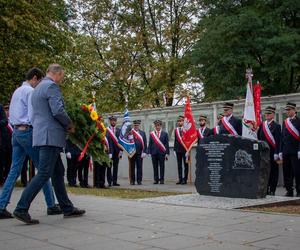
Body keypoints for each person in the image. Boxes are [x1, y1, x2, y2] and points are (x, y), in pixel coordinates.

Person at [13, 64, 85, 224]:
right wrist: (69, 124)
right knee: (44, 173)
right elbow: (58, 111)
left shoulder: (37, 88)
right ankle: (21, 208)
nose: (61, 80)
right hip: (50, 137)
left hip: (41, 135)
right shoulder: (51, 86)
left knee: (58, 171)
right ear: (57, 74)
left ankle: (67, 208)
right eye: (62, 77)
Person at [0, 68, 60, 220]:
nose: (39, 85)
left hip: (16, 132)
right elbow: (34, 115)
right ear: (35, 78)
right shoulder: (30, 92)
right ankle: (51, 205)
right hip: (27, 132)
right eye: (39, 82)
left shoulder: (17, 91)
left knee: (14, 170)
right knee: (43, 169)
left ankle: (1, 205)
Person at [257, 106, 281, 195]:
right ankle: (265, 188)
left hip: (273, 153)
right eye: (266, 113)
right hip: (264, 153)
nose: (267, 115)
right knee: (265, 171)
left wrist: (277, 152)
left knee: (274, 172)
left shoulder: (277, 126)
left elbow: (278, 141)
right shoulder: (262, 125)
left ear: (273, 115)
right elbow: (259, 139)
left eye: (269, 113)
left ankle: (272, 189)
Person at [280, 102, 300, 197]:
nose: (287, 112)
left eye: (289, 110)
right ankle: (289, 190)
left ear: (294, 110)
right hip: (286, 151)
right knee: (287, 172)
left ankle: (299, 190)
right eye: (286, 110)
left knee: (297, 172)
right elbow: (282, 137)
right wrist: (280, 151)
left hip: (296, 151)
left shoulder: (299, 121)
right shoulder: (285, 122)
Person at [148, 120, 169, 184]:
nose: (157, 127)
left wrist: (167, 153)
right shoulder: (152, 134)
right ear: (155, 126)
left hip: (162, 153)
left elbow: (166, 144)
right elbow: (150, 143)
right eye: (156, 125)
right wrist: (149, 151)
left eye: (159, 125)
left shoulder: (165, 134)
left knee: (162, 166)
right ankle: (156, 179)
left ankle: (162, 179)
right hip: (154, 153)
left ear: (161, 126)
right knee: (155, 166)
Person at [106, 115, 122, 186]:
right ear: (110, 121)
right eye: (112, 120)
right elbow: (106, 141)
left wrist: (121, 151)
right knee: (109, 167)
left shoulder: (119, 130)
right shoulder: (107, 130)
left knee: (116, 167)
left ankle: (115, 181)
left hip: (117, 152)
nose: (113, 122)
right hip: (109, 152)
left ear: (116, 121)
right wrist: (109, 152)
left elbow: (122, 141)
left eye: (114, 120)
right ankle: (109, 181)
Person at [130, 120, 147, 185]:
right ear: (133, 125)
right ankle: (132, 181)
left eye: (137, 125)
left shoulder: (142, 133)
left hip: (140, 153)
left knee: (139, 167)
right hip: (132, 152)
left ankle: (139, 180)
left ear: (139, 125)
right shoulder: (130, 132)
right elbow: (128, 142)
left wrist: (144, 151)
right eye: (135, 125)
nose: (136, 126)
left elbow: (145, 143)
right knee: (132, 167)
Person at [174, 116, 188, 185]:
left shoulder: (186, 129)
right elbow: (175, 140)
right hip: (178, 150)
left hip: (185, 149)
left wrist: (188, 149)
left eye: (181, 121)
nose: (180, 122)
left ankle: (185, 179)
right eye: (179, 121)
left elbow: (188, 140)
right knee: (179, 165)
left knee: (186, 165)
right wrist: (174, 149)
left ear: (183, 122)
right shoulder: (176, 130)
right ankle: (180, 179)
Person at [0, 104, 12, 186]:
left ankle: (3, 179)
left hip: (2, 139)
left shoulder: (0, 107)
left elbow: (5, 121)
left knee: (4, 160)